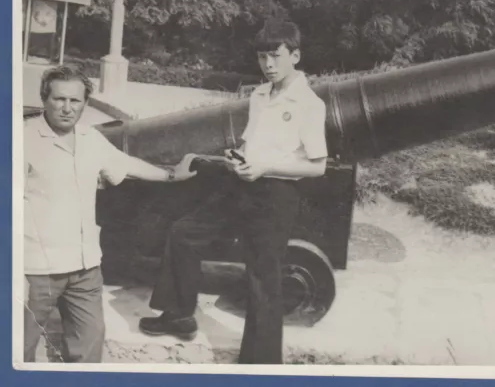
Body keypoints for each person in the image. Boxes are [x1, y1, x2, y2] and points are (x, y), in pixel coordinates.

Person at [139, 19, 328, 364]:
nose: (268, 65)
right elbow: (251, 140)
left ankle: (260, 365)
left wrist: (265, 167)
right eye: (262, 57)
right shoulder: (258, 95)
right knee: (183, 234)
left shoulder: (309, 104)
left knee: (262, 280)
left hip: (275, 195)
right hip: (240, 184)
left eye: (276, 56)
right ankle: (179, 315)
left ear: (295, 56)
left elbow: (318, 166)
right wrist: (238, 156)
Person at [23, 65, 198, 363]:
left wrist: (172, 176)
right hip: (35, 270)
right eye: (59, 99)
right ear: (44, 99)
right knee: (16, 349)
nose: (67, 108)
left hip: (85, 270)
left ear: (85, 103)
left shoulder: (90, 138)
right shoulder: (22, 139)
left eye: (75, 101)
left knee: (90, 349)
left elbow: (127, 164)